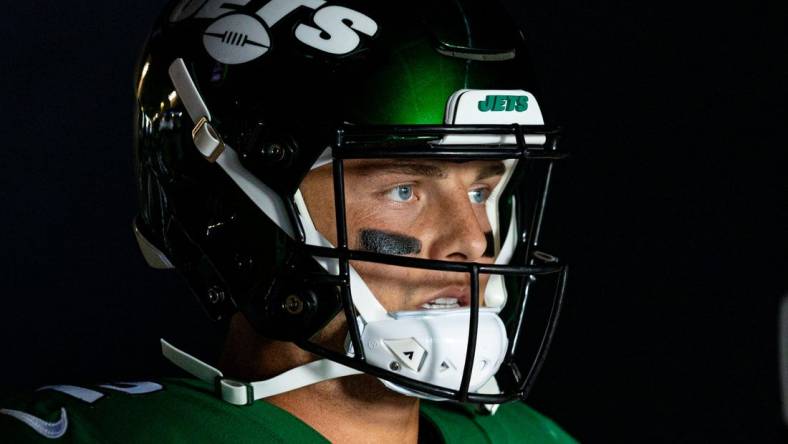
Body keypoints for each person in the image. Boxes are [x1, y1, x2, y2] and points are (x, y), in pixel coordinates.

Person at [0, 0, 575, 442]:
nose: (473, 239)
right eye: (405, 189)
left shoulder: (527, 435)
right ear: (228, 203)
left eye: (481, 189)